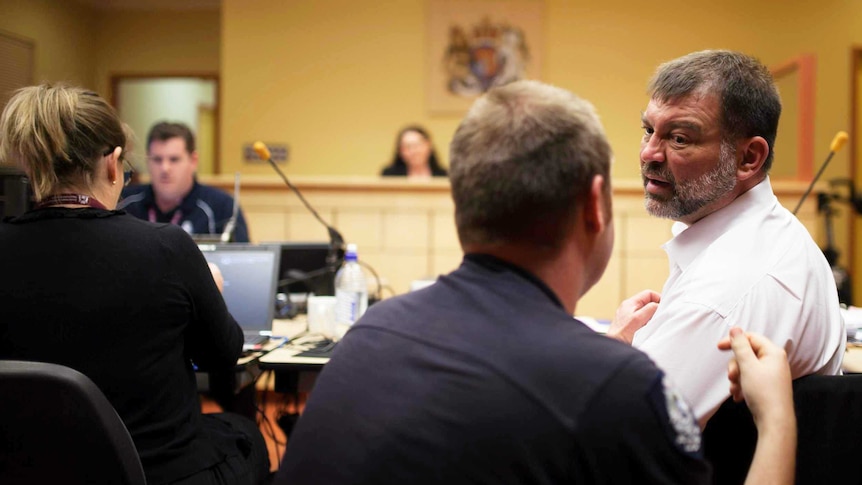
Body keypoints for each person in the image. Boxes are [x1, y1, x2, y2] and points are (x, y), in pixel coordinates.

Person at [276, 80, 795, 484]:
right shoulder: (624, 392)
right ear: (595, 204)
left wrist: (605, 351)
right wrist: (776, 423)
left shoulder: (373, 330)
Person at [0, 84, 269, 485]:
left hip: (28, 469)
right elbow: (222, 355)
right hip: (160, 471)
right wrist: (208, 291)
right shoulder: (166, 247)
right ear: (112, 164)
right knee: (247, 435)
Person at [607, 49, 846, 425]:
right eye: (648, 130)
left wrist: (610, 352)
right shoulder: (768, 234)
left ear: (748, 158)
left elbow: (616, 435)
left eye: (679, 138)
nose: (650, 153)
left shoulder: (727, 293)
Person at [119, 121, 250, 242]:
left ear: (193, 161)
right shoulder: (124, 202)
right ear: (147, 161)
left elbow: (241, 261)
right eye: (157, 159)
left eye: (174, 160)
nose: (165, 168)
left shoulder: (222, 206)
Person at [380, 125, 448, 177]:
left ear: (428, 146)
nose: (413, 151)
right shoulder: (390, 175)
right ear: (400, 151)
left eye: (417, 145)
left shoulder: (444, 175)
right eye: (407, 147)